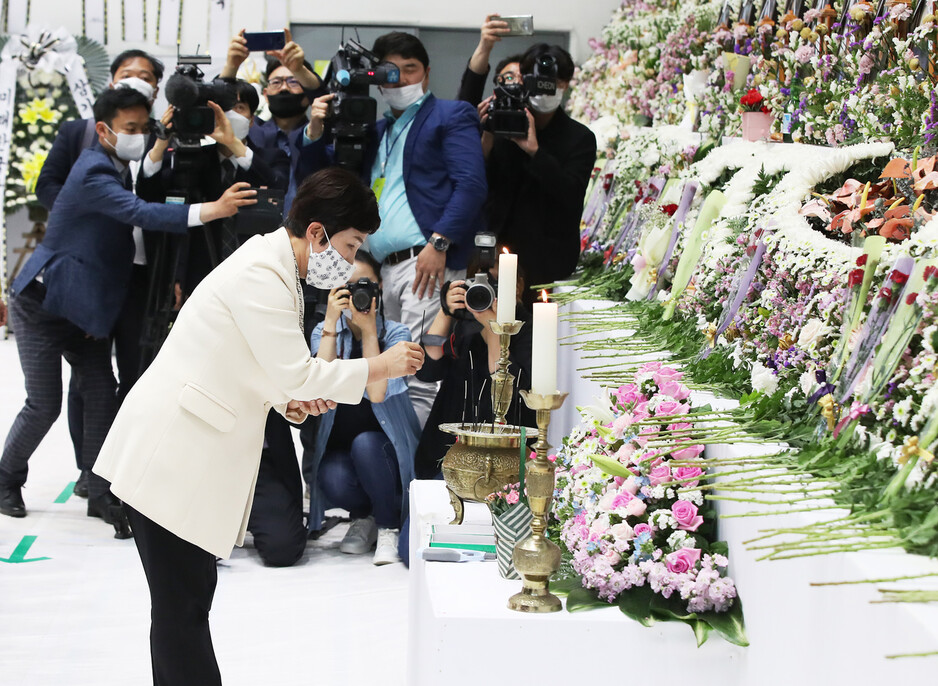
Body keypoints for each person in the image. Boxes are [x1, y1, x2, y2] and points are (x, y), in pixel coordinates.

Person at [92, 167, 424, 686]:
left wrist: (288, 401)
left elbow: (257, 362)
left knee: (189, 605)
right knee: (182, 612)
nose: (349, 260)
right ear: (317, 233)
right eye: (351, 242)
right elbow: (297, 370)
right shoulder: (262, 274)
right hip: (169, 458)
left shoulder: (274, 267)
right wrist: (381, 365)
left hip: (184, 459)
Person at [0, 88, 253, 531]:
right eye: (130, 129)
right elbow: (140, 213)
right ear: (104, 130)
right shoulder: (95, 170)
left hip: (83, 311)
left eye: (144, 127)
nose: (138, 136)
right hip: (41, 305)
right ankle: (6, 479)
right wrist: (213, 209)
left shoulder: (120, 165)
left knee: (101, 393)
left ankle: (101, 493)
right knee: (44, 404)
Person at [35, 48, 166, 499]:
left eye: (147, 76)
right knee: (87, 374)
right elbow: (47, 184)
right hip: (92, 270)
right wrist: (84, 220)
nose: (138, 80)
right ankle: (89, 470)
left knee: (132, 370)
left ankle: (124, 469)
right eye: (129, 74)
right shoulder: (80, 133)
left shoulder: (156, 135)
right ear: (111, 80)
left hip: (139, 273)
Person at [358, 31, 488, 426]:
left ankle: (417, 475)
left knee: (417, 373)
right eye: (391, 72)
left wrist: (440, 241)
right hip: (384, 269)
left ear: (427, 74)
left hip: (425, 261)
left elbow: (471, 184)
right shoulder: (381, 130)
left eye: (410, 69)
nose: (400, 80)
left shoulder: (450, 115)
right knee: (389, 370)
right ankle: (397, 465)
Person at [306, 251, 421, 565]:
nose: (358, 294)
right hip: (347, 459)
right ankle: (364, 518)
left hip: (385, 456)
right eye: (348, 286)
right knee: (329, 474)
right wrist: (330, 320)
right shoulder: (324, 331)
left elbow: (378, 393)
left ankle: (388, 526)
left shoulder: (396, 335)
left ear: (379, 287)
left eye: (364, 285)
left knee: (366, 444)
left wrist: (370, 332)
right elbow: (320, 384)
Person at [137, 80, 288, 299]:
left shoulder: (272, 157)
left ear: (252, 120)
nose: (230, 116)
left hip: (255, 276)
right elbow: (149, 194)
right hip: (201, 277)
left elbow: (278, 185)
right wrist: (161, 143)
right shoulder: (193, 159)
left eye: (240, 109)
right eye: (225, 109)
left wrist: (234, 144)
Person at [482, 44, 598, 300]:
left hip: (547, 263)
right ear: (524, 81)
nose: (544, 89)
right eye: (537, 81)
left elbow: (571, 195)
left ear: (565, 84)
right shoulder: (505, 124)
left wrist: (535, 152)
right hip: (498, 256)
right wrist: (487, 137)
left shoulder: (580, 138)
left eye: (553, 82)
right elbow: (483, 186)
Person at [415, 249, 534, 479]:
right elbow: (427, 371)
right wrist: (446, 311)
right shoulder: (462, 320)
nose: (488, 293)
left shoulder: (528, 328)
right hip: (446, 451)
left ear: (518, 286)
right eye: (482, 283)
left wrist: (494, 328)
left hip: (500, 458)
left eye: (497, 284)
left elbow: (504, 396)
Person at [220, 28, 326, 213]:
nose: (284, 88)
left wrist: (299, 69)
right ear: (266, 95)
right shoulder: (249, 130)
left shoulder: (319, 134)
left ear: (307, 94)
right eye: (276, 82)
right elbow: (218, 106)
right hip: (253, 228)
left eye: (293, 81)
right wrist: (231, 66)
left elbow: (326, 100)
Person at [457, 13, 523, 106]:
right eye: (509, 77)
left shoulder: (536, 114)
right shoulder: (485, 114)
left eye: (523, 78)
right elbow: (469, 93)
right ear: (497, 82)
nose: (516, 82)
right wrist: (484, 47)